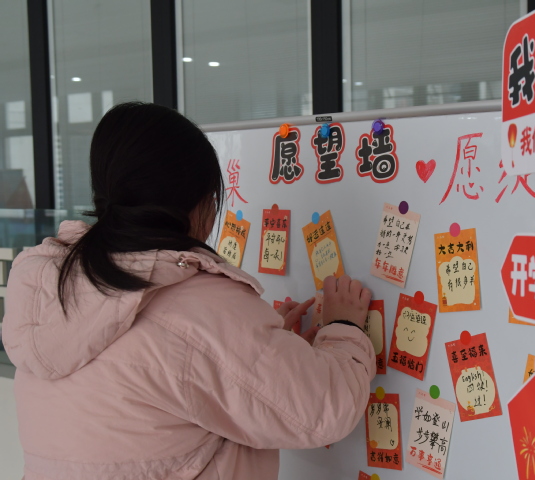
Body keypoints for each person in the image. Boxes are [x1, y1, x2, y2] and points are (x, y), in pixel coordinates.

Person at [3, 102, 376, 479]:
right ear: (196, 204)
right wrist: (343, 327)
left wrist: (256, 342)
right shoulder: (199, 305)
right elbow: (323, 410)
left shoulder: (54, 287)